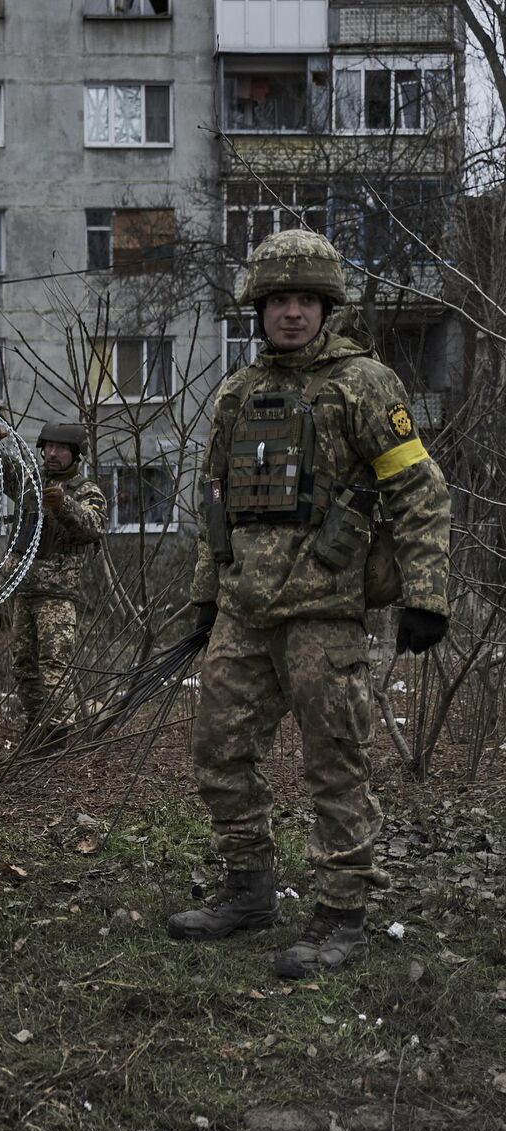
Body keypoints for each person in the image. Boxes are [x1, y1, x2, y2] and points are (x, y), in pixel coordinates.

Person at [167, 230, 451, 978]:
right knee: (218, 753)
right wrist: (205, 598)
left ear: (327, 307)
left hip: (325, 612)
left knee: (336, 765)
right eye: (278, 300)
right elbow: (215, 506)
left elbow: (419, 493)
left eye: (305, 300)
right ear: (259, 309)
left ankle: (341, 916)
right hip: (244, 610)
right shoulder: (236, 391)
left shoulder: (365, 384)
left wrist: (427, 594)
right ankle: (248, 891)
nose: (291, 313)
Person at [0, 421, 107, 744]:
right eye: (48, 447)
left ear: (75, 454)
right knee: (24, 666)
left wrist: (63, 505)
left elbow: (94, 525)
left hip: (58, 597)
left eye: (61, 449)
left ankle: (60, 735)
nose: (53, 454)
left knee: (54, 667)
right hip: (24, 590)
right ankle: (37, 728)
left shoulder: (85, 490)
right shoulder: (31, 482)